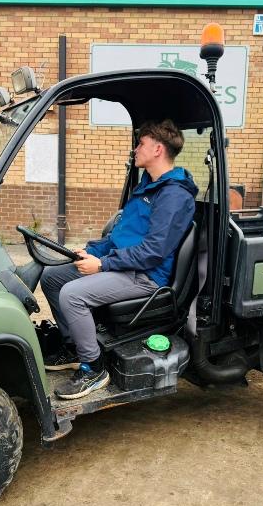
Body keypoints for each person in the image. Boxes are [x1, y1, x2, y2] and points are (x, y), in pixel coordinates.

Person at [40, 119, 198, 400]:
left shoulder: (173, 195)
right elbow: (119, 236)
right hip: (125, 265)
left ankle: (94, 369)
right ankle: (74, 347)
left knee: (72, 295)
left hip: (147, 276)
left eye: (141, 144)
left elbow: (152, 252)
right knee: (52, 278)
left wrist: (102, 264)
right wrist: (93, 252)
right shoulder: (148, 186)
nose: (136, 149)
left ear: (158, 149)